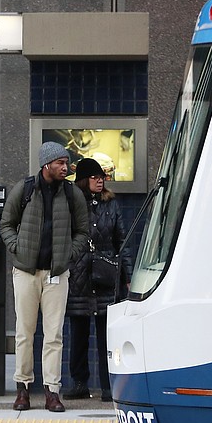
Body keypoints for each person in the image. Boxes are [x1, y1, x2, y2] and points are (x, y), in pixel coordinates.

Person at [0, 142, 89, 412]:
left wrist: (67, 255)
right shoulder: (25, 189)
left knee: (54, 335)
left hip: (57, 273)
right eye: (61, 163)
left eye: (67, 163)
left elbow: (83, 231)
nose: (66, 168)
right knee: (24, 333)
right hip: (26, 272)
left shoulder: (72, 194)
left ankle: (52, 392)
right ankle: (23, 389)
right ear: (46, 164)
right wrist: (18, 248)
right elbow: (6, 224)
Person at [60, 158, 132, 403]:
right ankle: (79, 383)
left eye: (102, 177)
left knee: (105, 335)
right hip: (78, 274)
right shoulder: (71, 205)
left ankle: (107, 385)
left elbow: (122, 241)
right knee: (78, 333)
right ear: (83, 180)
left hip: (105, 275)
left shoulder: (111, 204)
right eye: (94, 177)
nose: (100, 181)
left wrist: (128, 276)